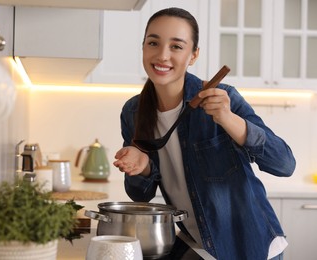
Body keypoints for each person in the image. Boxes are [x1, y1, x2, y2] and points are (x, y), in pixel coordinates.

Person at [113, 7, 296, 260]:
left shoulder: (224, 97)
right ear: (143, 47)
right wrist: (142, 167)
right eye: (153, 42)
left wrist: (229, 119)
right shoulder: (133, 111)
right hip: (198, 245)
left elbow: (285, 164)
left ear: (193, 55)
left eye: (176, 46)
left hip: (251, 246)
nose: (162, 55)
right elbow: (139, 194)